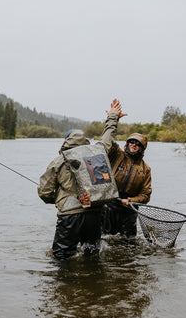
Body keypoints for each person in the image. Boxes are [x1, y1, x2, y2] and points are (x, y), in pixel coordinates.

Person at [37, 99, 127, 260]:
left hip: (69, 215)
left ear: (66, 141)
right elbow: (109, 136)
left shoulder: (58, 161)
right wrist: (113, 116)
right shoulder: (98, 151)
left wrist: (59, 200)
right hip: (96, 212)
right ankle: (94, 282)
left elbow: (44, 192)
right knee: (91, 253)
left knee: (61, 257)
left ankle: (66, 285)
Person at [103, 132, 152, 237]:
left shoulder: (146, 169)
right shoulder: (116, 154)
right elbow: (108, 140)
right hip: (109, 205)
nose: (133, 145)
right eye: (131, 142)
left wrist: (131, 201)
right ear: (127, 143)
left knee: (128, 243)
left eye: (137, 144)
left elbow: (146, 195)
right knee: (103, 239)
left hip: (129, 210)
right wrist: (113, 118)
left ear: (142, 148)